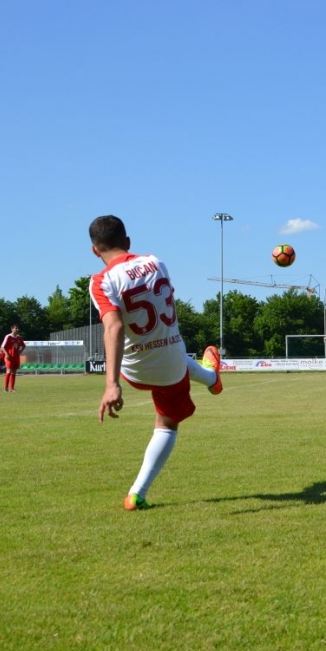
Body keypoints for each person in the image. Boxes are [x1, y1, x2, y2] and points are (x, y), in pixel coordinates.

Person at [88, 215, 223, 511]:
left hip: (133, 369)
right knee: (167, 424)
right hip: (169, 365)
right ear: (128, 241)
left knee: (174, 354)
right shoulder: (156, 262)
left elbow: (114, 326)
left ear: (95, 250)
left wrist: (112, 384)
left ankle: (213, 379)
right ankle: (137, 493)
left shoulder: (100, 281)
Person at [0, 325, 26, 392]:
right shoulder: (8, 336)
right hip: (9, 357)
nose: (17, 329)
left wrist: (20, 352)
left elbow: (23, 346)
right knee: (8, 371)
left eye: (18, 328)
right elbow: (2, 347)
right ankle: (5, 389)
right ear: (12, 329)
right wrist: (6, 354)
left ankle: (12, 388)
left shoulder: (19, 337)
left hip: (16, 357)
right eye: (16, 328)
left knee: (14, 372)